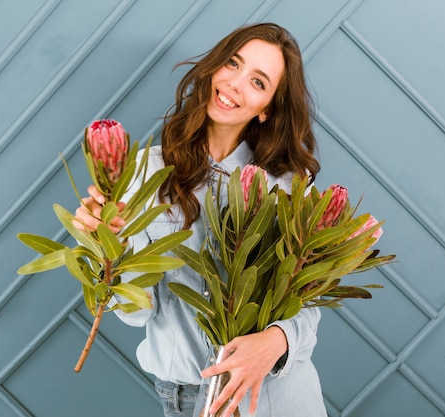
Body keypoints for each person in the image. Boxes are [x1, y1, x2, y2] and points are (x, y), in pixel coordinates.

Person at [74, 22, 328, 417]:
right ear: (214, 67)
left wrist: (277, 340)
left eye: (258, 82)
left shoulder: (288, 184)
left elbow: (308, 299)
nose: (234, 84)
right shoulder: (144, 173)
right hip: (189, 396)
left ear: (268, 109)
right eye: (232, 63)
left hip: (276, 392)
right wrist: (110, 248)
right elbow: (136, 312)